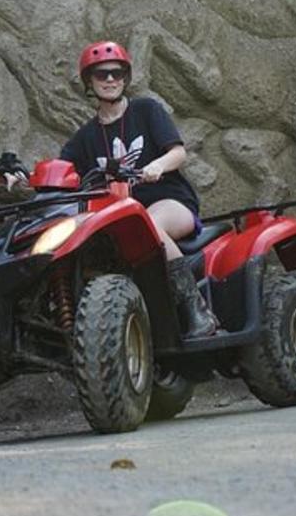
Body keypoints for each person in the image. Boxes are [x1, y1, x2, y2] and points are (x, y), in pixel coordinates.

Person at [61, 40, 219, 337]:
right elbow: (60, 171)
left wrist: (159, 165)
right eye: (101, 74)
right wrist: (18, 177)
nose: (110, 79)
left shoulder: (147, 110)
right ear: (89, 82)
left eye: (117, 73)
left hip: (169, 202)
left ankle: (196, 309)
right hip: (121, 219)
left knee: (148, 224)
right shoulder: (85, 136)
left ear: (125, 78)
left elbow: (178, 153)